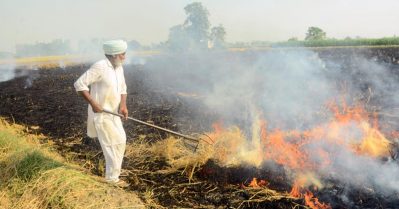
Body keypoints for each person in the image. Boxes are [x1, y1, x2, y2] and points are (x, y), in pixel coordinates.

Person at [74, 40, 129, 186]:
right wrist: (93, 103)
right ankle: (112, 179)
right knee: (111, 144)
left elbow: (123, 88)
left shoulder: (119, 67)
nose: (125, 56)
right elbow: (79, 84)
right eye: (123, 54)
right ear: (115, 54)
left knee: (121, 140)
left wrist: (123, 106)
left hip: (114, 113)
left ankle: (115, 173)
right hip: (101, 114)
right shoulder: (100, 66)